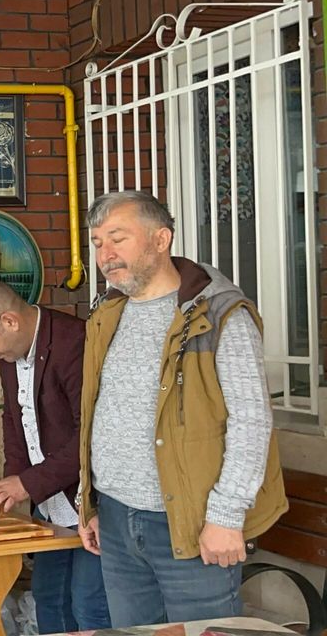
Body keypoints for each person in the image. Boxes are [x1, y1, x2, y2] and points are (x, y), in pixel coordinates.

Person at [77, 190, 287, 627]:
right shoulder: (108, 313)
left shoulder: (220, 313)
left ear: (161, 239)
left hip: (192, 523)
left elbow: (250, 422)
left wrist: (226, 516)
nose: (105, 255)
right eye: (97, 243)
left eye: (118, 238)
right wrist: (91, 504)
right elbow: (99, 413)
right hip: (116, 518)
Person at [0, 280, 110, 633]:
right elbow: (14, 418)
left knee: (89, 603)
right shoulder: (9, 351)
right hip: (49, 500)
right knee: (48, 597)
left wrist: (25, 484)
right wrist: (13, 481)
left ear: (9, 321)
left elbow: (91, 436)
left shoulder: (74, 342)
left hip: (92, 501)